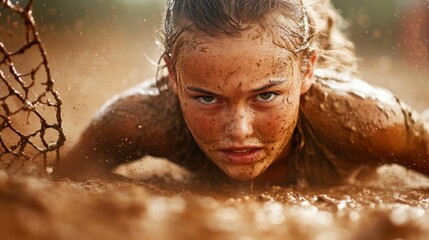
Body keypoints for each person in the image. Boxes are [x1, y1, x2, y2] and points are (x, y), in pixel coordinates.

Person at [54, 0, 429, 186]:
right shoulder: (136, 120)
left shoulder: (368, 121)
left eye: (265, 96)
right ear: (171, 74)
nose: (238, 131)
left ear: (308, 70)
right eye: (206, 98)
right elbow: (63, 182)